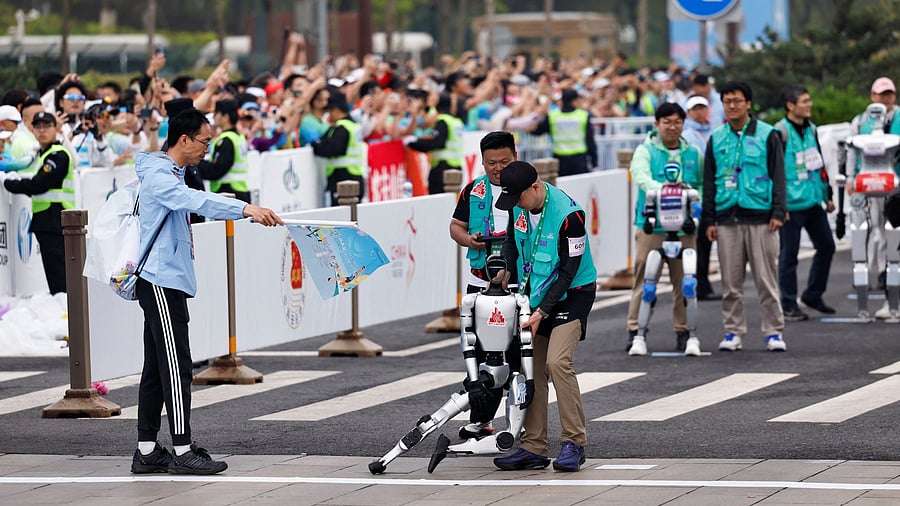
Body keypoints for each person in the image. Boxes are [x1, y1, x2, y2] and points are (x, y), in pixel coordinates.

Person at [130, 108, 283, 475]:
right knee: (176, 365)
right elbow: (197, 202)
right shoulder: (161, 177)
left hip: (168, 279)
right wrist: (245, 208)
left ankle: (148, 450)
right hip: (161, 280)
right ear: (184, 139)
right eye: (204, 142)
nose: (206, 150)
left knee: (156, 367)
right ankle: (182, 450)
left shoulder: (169, 172)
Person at [492, 161, 596, 473]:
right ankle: (533, 447)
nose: (515, 206)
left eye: (518, 199)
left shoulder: (569, 216)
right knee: (530, 368)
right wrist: (504, 274)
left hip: (573, 294)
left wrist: (542, 313)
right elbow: (511, 241)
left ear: (535, 188)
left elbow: (569, 271)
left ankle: (574, 443)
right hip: (535, 294)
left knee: (557, 362)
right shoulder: (517, 206)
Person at [702, 81, 787, 352]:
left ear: (748, 104)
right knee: (730, 282)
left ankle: (773, 331)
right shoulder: (716, 138)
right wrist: (709, 219)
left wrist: (778, 210)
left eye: (737, 100)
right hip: (727, 219)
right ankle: (732, 331)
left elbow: (779, 175)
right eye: (727, 101)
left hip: (762, 218)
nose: (732, 106)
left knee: (766, 279)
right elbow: (709, 182)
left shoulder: (767, 134)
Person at [449, 130, 518, 438]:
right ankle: (481, 420)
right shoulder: (473, 191)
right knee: (478, 355)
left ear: (515, 157)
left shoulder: (527, 188)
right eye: (491, 162)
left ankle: (520, 423)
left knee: (517, 354)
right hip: (481, 284)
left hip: (517, 285)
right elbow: (456, 227)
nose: (497, 168)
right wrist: (469, 240)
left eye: (504, 161)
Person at [626, 102, 703, 352]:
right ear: (657, 124)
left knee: (685, 282)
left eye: (677, 122)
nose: (672, 127)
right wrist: (667, 192)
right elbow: (641, 176)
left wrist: (694, 204)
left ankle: (684, 331)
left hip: (684, 229)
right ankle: (636, 329)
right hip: (652, 228)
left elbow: (701, 185)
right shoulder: (645, 151)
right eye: (667, 122)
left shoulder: (693, 153)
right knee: (644, 279)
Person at [775, 84, 836, 321]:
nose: (809, 105)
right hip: (790, 205)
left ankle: (813, 294)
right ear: (791, 106)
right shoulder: (780, 132)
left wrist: (827, 194)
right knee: (789, 255)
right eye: (804, 101)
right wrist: (780, 206)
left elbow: (818, 163)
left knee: (827, 246)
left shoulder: (811, 129)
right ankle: (788, 303)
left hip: (812, 200)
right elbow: (774, 170)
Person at [2, 112, 74, 294]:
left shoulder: (57, 155)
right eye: (38, 126)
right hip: (47, 220)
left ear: (56, 128)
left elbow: (39, 184)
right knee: (54, 272)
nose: (42, 130)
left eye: (46, 126)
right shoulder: (43, 155)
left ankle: (66, 311)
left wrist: (8, 183)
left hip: (56, 220)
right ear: (32, 130)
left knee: (59, 275)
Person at [849, 77, 900, 319]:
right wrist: (850, 179)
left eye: (889, 94)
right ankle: (880, 281)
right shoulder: (860, 124)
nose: (885, 99)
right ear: (872, 97)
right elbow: (850, 154)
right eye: (881, 95)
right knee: (875, 234)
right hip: (870, 189)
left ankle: (891, 295)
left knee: (893, 238)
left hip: (897, 189)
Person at [681, 94, 720, 301]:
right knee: (698, 242)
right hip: (696, 193)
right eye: (695, 108)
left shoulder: (712, 132)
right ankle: (699, 285)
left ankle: (702, 283)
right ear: (688, 112)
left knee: (706, 240)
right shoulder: (688, 134)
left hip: (711, 191)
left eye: (702, 108)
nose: (699, 112)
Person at [311, 92, 365, 205]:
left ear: (335, 110)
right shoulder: (354, 125)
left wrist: (315, 146)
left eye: (330, 111)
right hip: (356, 177)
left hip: (342, 180)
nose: (329, 114)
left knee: (340, 218)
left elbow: (331, 149)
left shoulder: (341, 128)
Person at [406, 93, 465, 194]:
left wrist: (412, 144)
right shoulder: (456, 122)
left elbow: (437, 143)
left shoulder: (443, 121)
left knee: (439, 199)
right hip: (456, 166)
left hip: (442, 168)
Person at [531, 89, 597, 176]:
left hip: (560, 160)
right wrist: (594, 161)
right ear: (574, 101)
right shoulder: (583, 116)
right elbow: (590, 140)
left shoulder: (552, 116)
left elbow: (537, 131)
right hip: (579, 159)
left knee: (562, 187)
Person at [199, 99, 251, 203]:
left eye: (216, 113)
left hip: (229, 193)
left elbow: (216, 170)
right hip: (240, 191)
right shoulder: (239, 137)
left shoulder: (227, 140)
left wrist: (195, 162)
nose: (214, 117)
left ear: (225, 117)